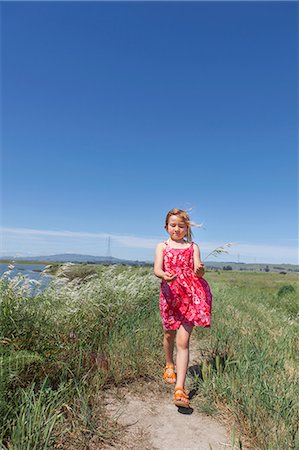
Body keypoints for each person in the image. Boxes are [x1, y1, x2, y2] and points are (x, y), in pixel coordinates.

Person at [154, 208, 212, 408]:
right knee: (169, 334)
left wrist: (201, 270)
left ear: (187, 228)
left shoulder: (193, 247)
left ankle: (180, 388)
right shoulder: (162, 246)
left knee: (183, 341)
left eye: (181, 226)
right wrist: (163, 276)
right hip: (170, 296)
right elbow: (156, 269)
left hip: (191, 296)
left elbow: (199, 272)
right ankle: (169, 363)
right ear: (166, 227)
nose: (177, 229)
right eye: (173, 225)